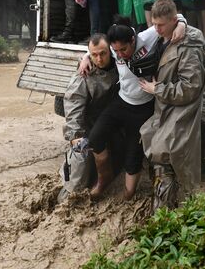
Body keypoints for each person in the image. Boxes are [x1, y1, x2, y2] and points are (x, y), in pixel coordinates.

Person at [79, 14, 187, 200]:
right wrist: (85, 57)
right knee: (95, 138)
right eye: (116, 51)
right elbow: (98, 47)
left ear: (133, 40)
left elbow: (174, 16)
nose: (120, 54)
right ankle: (104, 179)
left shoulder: (146, 37)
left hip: (144, 109)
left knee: (133, 158)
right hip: (121, 103)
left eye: (124, 49)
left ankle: (128, 194)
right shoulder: (114, 49)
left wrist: (182, 25)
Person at [139, 0, 205, 210]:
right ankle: (167, 207)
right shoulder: (163, 35)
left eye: (160, 25)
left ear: (173, 20)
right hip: (166, 108)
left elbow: (190, 89)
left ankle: (166, 214)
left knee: (164, 156)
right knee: (150, 142)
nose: (155, 28)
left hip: (182, 110)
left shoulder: (189, 42)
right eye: (153, 23)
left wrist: (156, 89)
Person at [58, 33, 119, 201]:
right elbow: (73, 106)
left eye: (103, 54)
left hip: (115, 123)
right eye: (94, 55)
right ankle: (69, 195)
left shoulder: (121, 64)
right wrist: (75, 136)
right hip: (89, 126)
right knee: (80, 160)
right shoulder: (84, 73)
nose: (99, 59)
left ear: (110, 51)